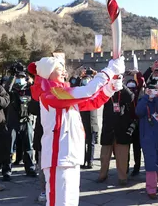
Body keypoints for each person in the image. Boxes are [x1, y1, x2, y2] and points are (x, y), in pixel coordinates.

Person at [28, 56, 125, 206]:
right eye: (60, 69)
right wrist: (109, 70)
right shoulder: (51, 94)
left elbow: (92, 101)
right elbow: (87, 91)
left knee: (70, 202)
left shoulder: (63, 95)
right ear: (48, 73)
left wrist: (110, 88)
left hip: (71, 156)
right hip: (58, 158)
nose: (64, 72)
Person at [97, 78, 135, 186]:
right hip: (108, 127)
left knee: (122, 156)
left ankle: (122, 177)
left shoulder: (123, 91)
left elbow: (131, 97)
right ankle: (102, 175)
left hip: (121, 128)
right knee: (104, 155)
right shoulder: (106, 90)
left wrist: (121, 85)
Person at [2, 71, 37, 181]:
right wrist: (13, 76)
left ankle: (30, 168)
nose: (20, 79)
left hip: (26, 120)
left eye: (22, 77)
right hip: (13, 121)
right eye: (18, 77)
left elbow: (37, 90)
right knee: (9, 147)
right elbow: (6, 89)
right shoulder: (12, 90)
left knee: (29, 147)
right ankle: (7, 170)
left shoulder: (29, 90)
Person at [135, 84, 158, 199]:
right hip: (147, 136)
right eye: (150, 90)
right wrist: (146, 97)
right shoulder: (143, 100)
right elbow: (138, 112)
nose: (152, 92)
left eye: (154, 90)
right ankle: (151, 189)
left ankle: (155, 181)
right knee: (150, 161)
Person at [79, 73, 100, 169]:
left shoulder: (94, 94)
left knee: (91, 143)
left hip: (92, 122)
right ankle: (82, 161)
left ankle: (90, 161)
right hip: (82, 122)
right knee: (82, 143)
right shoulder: (80, 94)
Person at [126, 71, 145, 177]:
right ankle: (126, 166)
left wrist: (137, 73)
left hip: (137, 123)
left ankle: (137, 167)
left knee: (137, 148)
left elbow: (142, 81)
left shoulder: (138, 93)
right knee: (126, 147)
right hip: (127, 123)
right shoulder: (125, 94)